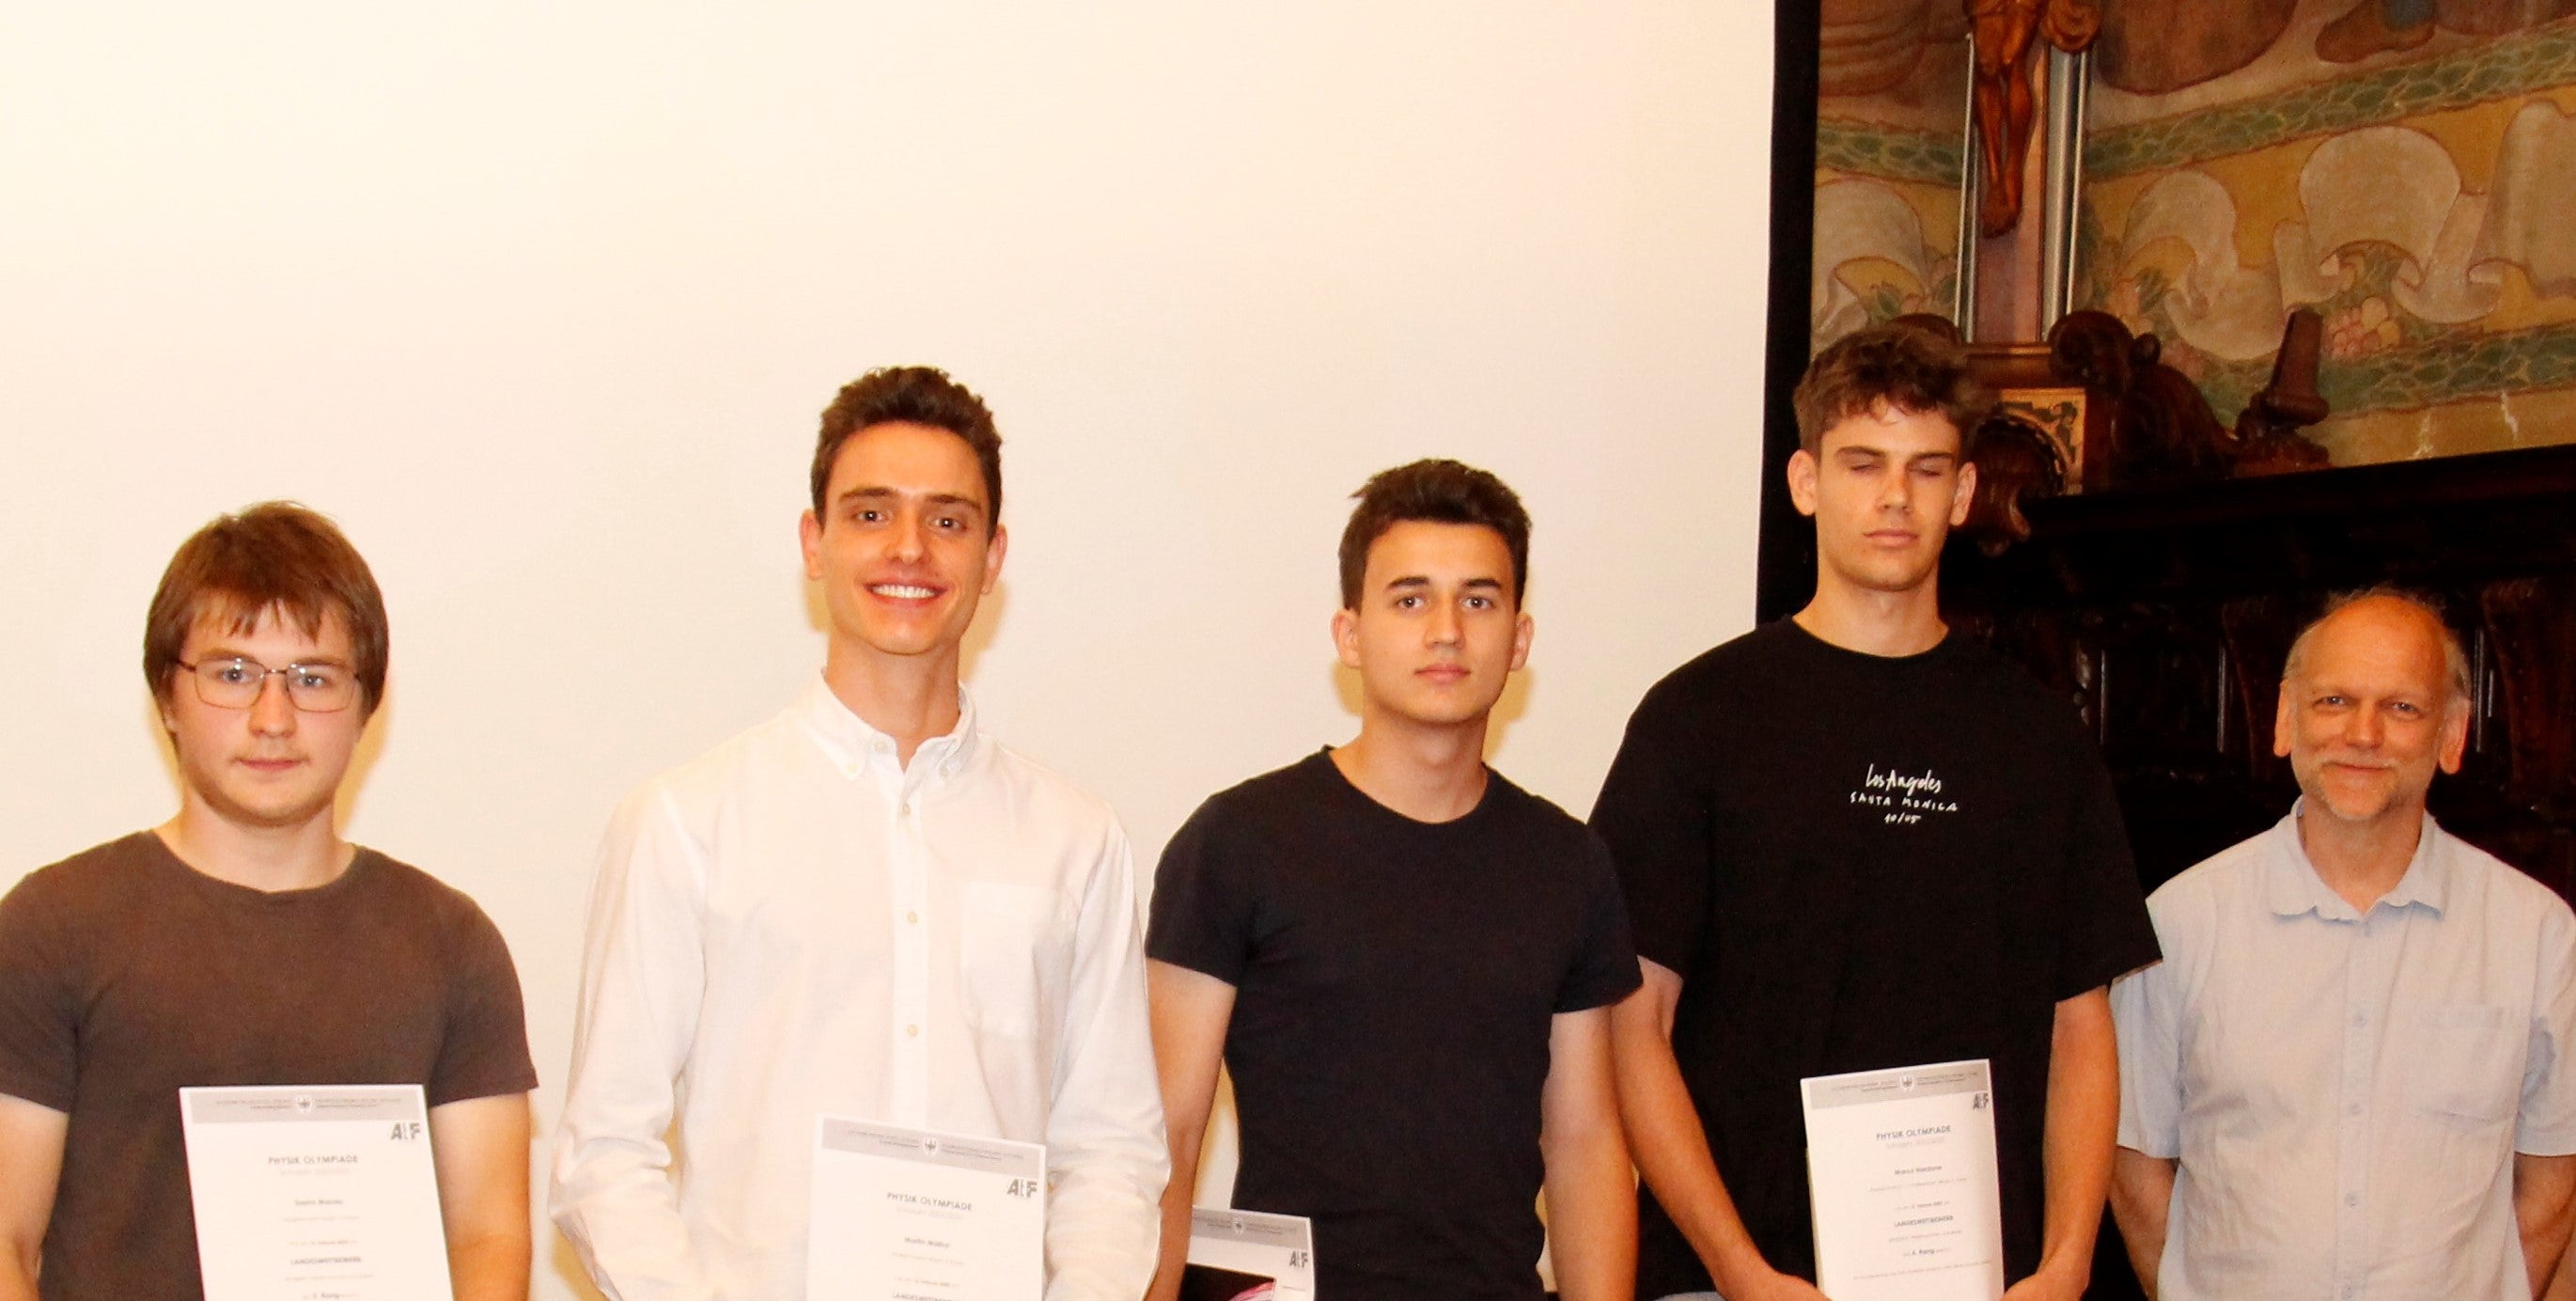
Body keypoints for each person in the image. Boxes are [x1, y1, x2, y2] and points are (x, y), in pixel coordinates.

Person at [552, 366, 1166, 1300]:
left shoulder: (1075, 840)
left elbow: (1112, 1150)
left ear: (992, 557)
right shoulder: (686, 821)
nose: (909, 548)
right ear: (815, 542)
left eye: (948, 520)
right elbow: (604, 1151)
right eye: (871, 514)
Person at [1591, 322, 2161, 1301]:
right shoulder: (1696, 717)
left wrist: (2066, 1263)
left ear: (1963, 493)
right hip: (1740, 1283)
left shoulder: (2035, 734)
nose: (1895, 496)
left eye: (1925, 468)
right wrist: (1736, 1267)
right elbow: (1631, 1021)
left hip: (1985, 1282)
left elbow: (2080, 1025)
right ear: (1804, 481)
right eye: (1862, 464)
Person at [0, 502, 539, 1301]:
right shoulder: (52, 926)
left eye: (313, 679)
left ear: (366, 705)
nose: (273, 719)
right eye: (232, 674)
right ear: (167, 696)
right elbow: (5, 1238)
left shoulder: (452, 943)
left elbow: (488, 1238)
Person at [1145, 458, 1640, 1301]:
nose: (1445, 631)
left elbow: (1585, 1141)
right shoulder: (1236, 843)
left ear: (1519, 639)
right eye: (1409, 600)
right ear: (1350, 635)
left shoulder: (1567, 862)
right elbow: (1168, 1134)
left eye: (1477, 601)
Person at [2108, 588, 2576, 1300]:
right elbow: (2133, 1162)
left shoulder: (2535, 933)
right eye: (2333, 701)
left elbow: (2552, 1177)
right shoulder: (2178, 923)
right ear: (2284, 718)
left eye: (2402, 707)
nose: (2363, 734)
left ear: (2452, 733)